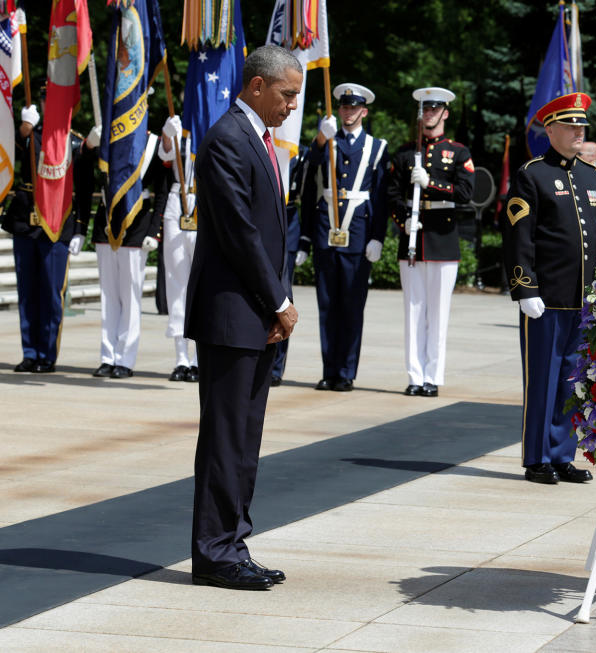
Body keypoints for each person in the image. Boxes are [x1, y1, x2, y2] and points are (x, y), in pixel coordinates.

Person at [184, 45, 301, 591]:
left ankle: (232, 544)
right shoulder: (227, 139)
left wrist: (274, 306)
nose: (292, 106)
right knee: (227, 439)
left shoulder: (257, 139)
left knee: (244, 439)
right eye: (286, 95)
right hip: (232, 316)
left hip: (253, 316)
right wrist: (279, 303)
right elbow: (240, 234)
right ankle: (213, 554)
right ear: (256, 86)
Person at [502, 92, 596, 485]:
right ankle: (537, 456)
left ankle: (563, 454)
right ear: (550, 129)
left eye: (582, 126)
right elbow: (519, 237)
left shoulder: (592, 175)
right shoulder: (532, 174)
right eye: (571, 125)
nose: (579, 132)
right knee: (542, 379)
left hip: (584, 299)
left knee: (572, 382)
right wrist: (525, 287)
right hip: (544, 299)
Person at [300, 83, 389, 392]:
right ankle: (329, 370)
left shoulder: (377, 147)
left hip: (358, 233)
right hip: (327, 232)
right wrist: (305, 238)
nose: (348, 112)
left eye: (354, 108)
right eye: (344, 107)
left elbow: (381, 197)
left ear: (364, 111)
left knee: (351, 307)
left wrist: (378, 237)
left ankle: (347, 371)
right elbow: (309, 181)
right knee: (327, 306)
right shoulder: (326, 142)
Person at [386, 87, 474, 397]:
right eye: (425, 109)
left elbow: (466, 194)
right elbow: (392, 195)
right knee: (413, 311)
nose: (430, 114)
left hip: (443, 238)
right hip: (413, 238)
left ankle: (433, 377)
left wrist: (432, 183)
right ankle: (414, 375)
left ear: (445, 113)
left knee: (438, 313)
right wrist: (403, 221)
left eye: (435, 109)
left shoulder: (459, 152)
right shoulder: (406, 153)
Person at [2, 86, 97, 373]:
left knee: (51, 293)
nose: (47, 103)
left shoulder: (74, 143)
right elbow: (11, 154)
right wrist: (22, 130)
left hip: (56, 226)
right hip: (25, 222)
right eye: (44, 99)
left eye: (52, 99)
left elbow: (84, 188)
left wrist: (81, 227)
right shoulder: (30, 135)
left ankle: (47, 354)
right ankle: (29, 352)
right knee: (28, 292)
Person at [89, 133, 164, 379]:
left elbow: (161, 190)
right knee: (108, 296)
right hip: (107, 221)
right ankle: (107, 356)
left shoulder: (152, 143)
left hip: (136, 223)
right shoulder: (109, 137)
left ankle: (125, 358)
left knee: (130, 297)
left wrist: (154, 229)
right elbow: (88, 175)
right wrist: (91, 146)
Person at [157, 113, 199, 383]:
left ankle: (199, 358)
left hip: (207, 202)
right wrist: (167, 135)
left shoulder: (220, 127)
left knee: (202, 284)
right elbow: (164, 156)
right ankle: (181, 358)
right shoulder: (181, 130)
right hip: (178, 199)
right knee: (176, 282)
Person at [270, 146, 310, 387]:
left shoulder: (298, 150)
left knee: (283, 298)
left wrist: (304, 238)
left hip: (289, 222)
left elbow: (307, 196)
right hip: (262, 222)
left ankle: (276, 367)